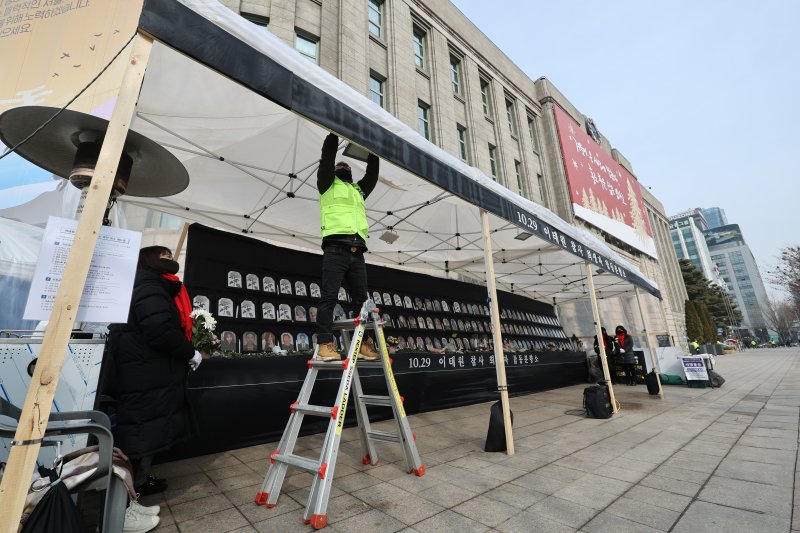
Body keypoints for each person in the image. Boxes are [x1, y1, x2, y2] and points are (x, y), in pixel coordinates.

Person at [107, 246, 203, 497]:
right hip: (145, 373)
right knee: (141, 433)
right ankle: (127, 499)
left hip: (146, 372)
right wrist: (189, 352)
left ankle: (138, 483)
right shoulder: (149, 288)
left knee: (147, 430)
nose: (171, 261)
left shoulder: (148, 286)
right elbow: (159, 330)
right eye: (165, 257)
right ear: (150, 261)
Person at [314, 132, 381, 362]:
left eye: (346, 166)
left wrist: (373, 151)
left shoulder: (358, 191)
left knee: (362, 303)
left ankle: (363, 343)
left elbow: (372, 174)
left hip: (357, 252)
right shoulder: (327, 184)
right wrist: (336, 131)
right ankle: (325, 343)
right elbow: (327, 157)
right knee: (329, 297)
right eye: (339, 165)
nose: (343, 166)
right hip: (335, 249)